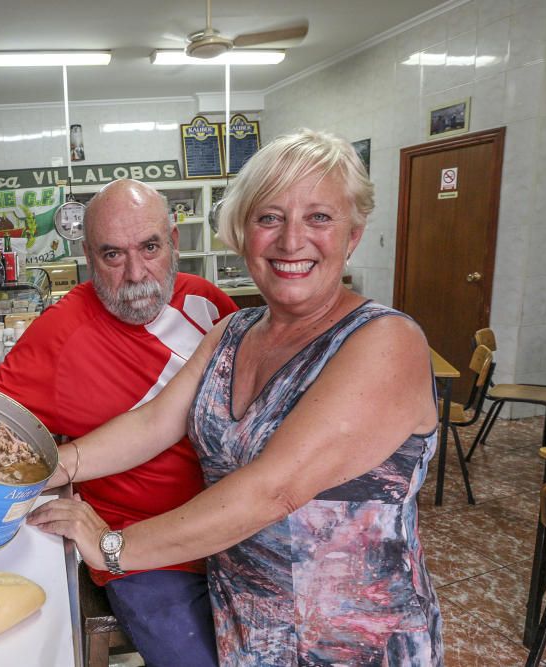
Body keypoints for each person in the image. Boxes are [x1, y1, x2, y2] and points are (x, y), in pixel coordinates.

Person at [28, 130, 443, 665]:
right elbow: (153, 422)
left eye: (319, 217)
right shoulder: (233, 331)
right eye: (269, 218)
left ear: (353, 235)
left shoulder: (386, 341)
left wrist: (113, 547)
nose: (291, 242)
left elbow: (272, 491)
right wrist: (44, 469)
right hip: (247, 627)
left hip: (352, 640)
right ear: (243, 232)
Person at [0, 178, 238, 666]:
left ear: (175, 242)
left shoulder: (207, 305)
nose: (137, 273)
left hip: (233, 526)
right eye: (113, 255)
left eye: (151, 247)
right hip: (140, 552)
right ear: (87, 256)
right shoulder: (60, 334)